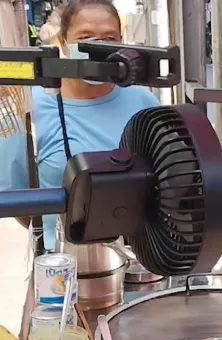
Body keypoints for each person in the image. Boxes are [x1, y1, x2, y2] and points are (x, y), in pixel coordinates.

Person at [0, 0, 159, 250]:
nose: (97, 48)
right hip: (60, 262)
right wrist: (55, 238)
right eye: (85, 38)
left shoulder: (144, 102)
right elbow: (17, 198)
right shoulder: (30, 109)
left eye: (108, 38)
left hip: (137, 260)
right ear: (63, 41)